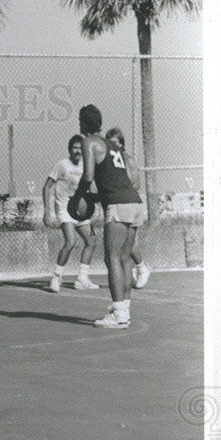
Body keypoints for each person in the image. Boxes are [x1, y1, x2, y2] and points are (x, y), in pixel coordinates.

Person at [69, 105, 143, 329]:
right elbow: (113, 180)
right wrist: (93, 198)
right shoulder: (112, 145)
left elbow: (88, 175)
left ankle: (118, 314)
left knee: (111, 258)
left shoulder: (89, 141)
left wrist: (78, 197)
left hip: (118, 205)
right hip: (135, 203)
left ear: (83, 123)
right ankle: (124, 310)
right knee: (124, 258)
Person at [42, 136, 99, 292]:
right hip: (64, 209)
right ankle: (56, 276)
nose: (78, 150)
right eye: (74, 147)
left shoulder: (86, 166)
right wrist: (47, 211)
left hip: (79, 211)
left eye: (81, 148)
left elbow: (91, 190)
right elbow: (47, 187)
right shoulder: (62, 165)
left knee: (91, 241)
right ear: (69, 149)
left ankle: (82, 278)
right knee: (71, 241)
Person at [105, 127, 150, 290]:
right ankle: (130, 275)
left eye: (115, 143)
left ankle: (141, 267)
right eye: (109, 143)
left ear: (121, 143)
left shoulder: (126, 159)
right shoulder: (110, 161)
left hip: (127, 203)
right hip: (124, 203)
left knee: (117, 252)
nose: (112, 146)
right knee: (122, 249)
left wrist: (121, 190)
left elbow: (136, 183)